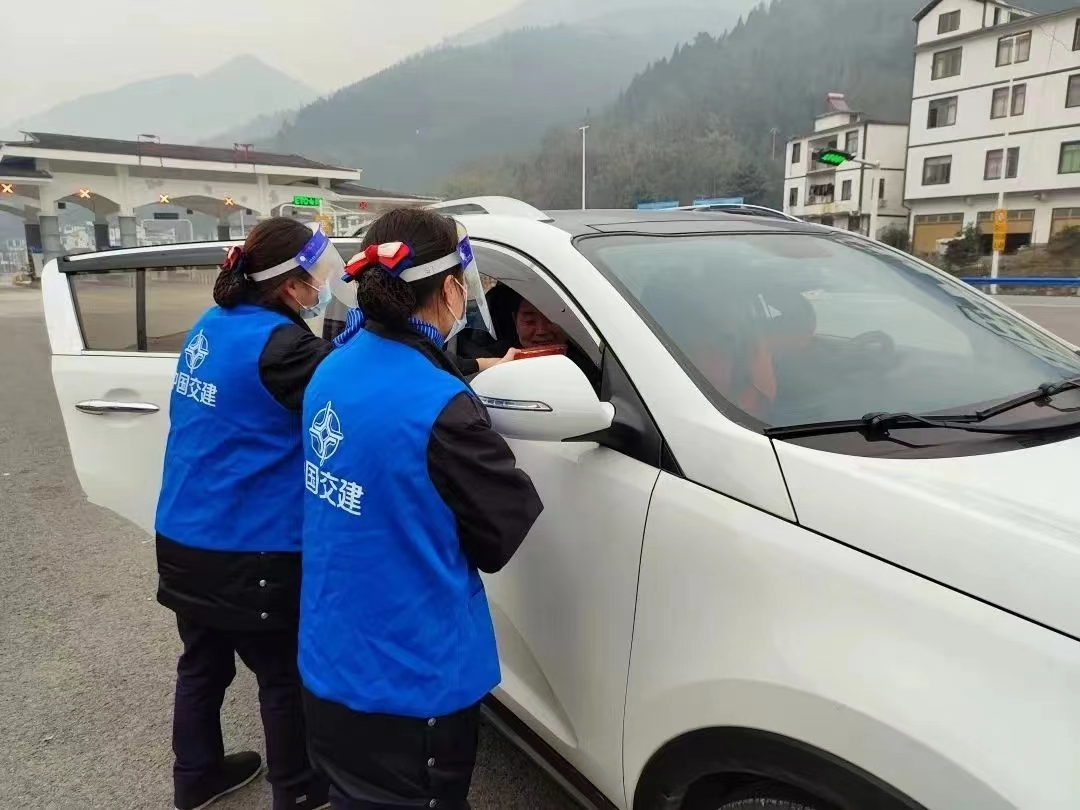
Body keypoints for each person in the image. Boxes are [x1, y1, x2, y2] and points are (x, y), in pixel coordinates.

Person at [299, 208, 544, 810]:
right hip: (410, 683)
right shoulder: (439, 405)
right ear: (453, 289)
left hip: (332, 656)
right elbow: (499, 532)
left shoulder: (333, 365)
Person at [155, 217, 340, 810]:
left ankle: (196, 777)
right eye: (317, 275)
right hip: (250, 547)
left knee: (202, 665)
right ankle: (298, 791)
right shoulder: (283, 347)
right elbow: (350, 390)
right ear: (289, 285)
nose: (323, 287)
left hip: (183, 534)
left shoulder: (212, 324)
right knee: (281, 675)